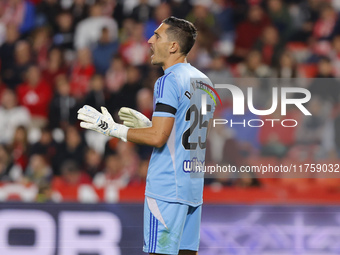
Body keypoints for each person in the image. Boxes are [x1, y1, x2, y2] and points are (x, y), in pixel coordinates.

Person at [78, 16, 216, 255]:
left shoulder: (168, 81)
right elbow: (186, 131)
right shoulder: (205, 82)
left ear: (173, 46)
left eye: (158, 36)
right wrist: (150, 125)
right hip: (191, 188)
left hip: (166, 188)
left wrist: (113, 129)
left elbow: (158, 138)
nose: (150, 40)